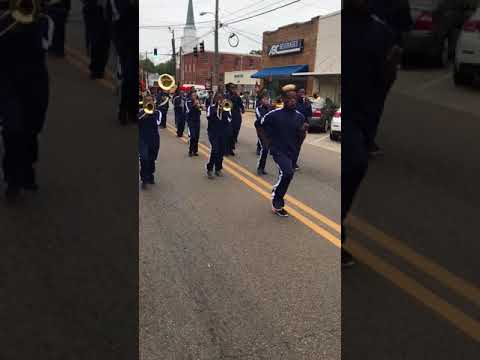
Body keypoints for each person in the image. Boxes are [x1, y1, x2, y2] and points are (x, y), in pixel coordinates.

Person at [341, 0, 401, 266]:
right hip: (347, 114)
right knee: (354, 163)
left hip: (365, 115)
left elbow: (387, 77)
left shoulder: (382, 31)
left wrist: (391, 69)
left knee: (355, 168)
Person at [0, 0, 53, 201]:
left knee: (32, 129)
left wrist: (27, 26)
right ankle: (12, 179)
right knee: (13, 129)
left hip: (35, 83)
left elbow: (44, 45)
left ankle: (27, 167)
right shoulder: (4, 22)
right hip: (7, 82)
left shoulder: (45, 22)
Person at [258, 84, 308, 217]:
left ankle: (278, 202)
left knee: (288, 175)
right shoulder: (274, 114)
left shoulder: (300, 117)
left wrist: (303, 133)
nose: (292, 101)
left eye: (294, 99)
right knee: (287, 172)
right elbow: (259, 124)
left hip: (292, 151)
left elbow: (300, 136)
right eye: (289, 99)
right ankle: (276, 196)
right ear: (284, 100)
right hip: (278, 150)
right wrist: (266, 142)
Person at [104, 0, 139, 125]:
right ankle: (124, 110)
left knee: (135, 79)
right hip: (125, 42)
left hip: (136, 42)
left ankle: (133, 110)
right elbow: (116, 18)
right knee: (128, 77)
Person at [81, 0, 111, 79]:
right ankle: (94, 69)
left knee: (105, 45)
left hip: (107, 17)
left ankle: (101, 69)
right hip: (93, 12)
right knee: (95, 43)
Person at [205, 93, 231, 179]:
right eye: (218, 98)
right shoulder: (211, 107)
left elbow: (229, 119)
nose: (220, 100)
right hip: (213, 132)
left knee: (221, 151)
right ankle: (210, 168)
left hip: (223, 132)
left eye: (221, 98)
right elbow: (208, 117)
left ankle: (218, 168)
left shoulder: (226, 108)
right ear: (215, 99)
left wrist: (224, 111)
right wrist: (217, 110)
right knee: (215, 150)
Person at [138, 95, 160, 189]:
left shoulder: (157, 113)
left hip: (154, 140)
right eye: (147, 101)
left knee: (151, 160)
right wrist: (144, 114)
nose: (149, 102)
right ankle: (144, 179)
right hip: (143, 139)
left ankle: (150, 175)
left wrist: (151, 113)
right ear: (144, 102)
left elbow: (158, 122)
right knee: (144, 159)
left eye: (150, 100)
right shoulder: (141, 113)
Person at [293, 88, 312, 170]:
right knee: (292, 145)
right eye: (300, 92)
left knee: (298, 147)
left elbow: (309, 115)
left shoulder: (306, 104)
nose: (302, 94)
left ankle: (293, 162)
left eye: (303, 92)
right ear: (297, 93)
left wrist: (308, 104)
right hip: (293, 127)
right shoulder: (294, 103)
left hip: (302, 128)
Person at [224, 83, 244, 156]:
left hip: (237, 115)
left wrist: (242, 109)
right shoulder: (227, 96)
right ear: (229, 89)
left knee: (235, 132)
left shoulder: (237, 96)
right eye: (232, 88)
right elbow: (225, 105)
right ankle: (226, 150)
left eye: (234, 88)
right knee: (229, 133)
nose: (233, 89)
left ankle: (231, 149)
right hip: (229, 115)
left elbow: (241, 104)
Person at [254, 94, 272, 176]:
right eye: (265, 99)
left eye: (267, 99)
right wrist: (269, 113)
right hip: (261, 130)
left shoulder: (271, 108)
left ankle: (262, 167)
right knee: (264, 148)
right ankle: (260, 168)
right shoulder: (258, 108)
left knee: (267, 149)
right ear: (261, 100)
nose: (267, 101)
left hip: (269, 131)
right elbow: (261, 119)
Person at [185, 89, 201, 157]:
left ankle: (195, 151)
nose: (194, 96)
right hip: (191, 121)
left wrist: (199, 106)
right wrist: (194, 105)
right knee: (193, 136)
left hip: (197, 120)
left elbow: (200, 112)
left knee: (197, 137)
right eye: (193, 95)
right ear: (191, 96)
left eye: (195, 95)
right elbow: (188, 111)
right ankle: (190, 150)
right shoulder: (188, 102)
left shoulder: (198, 101)